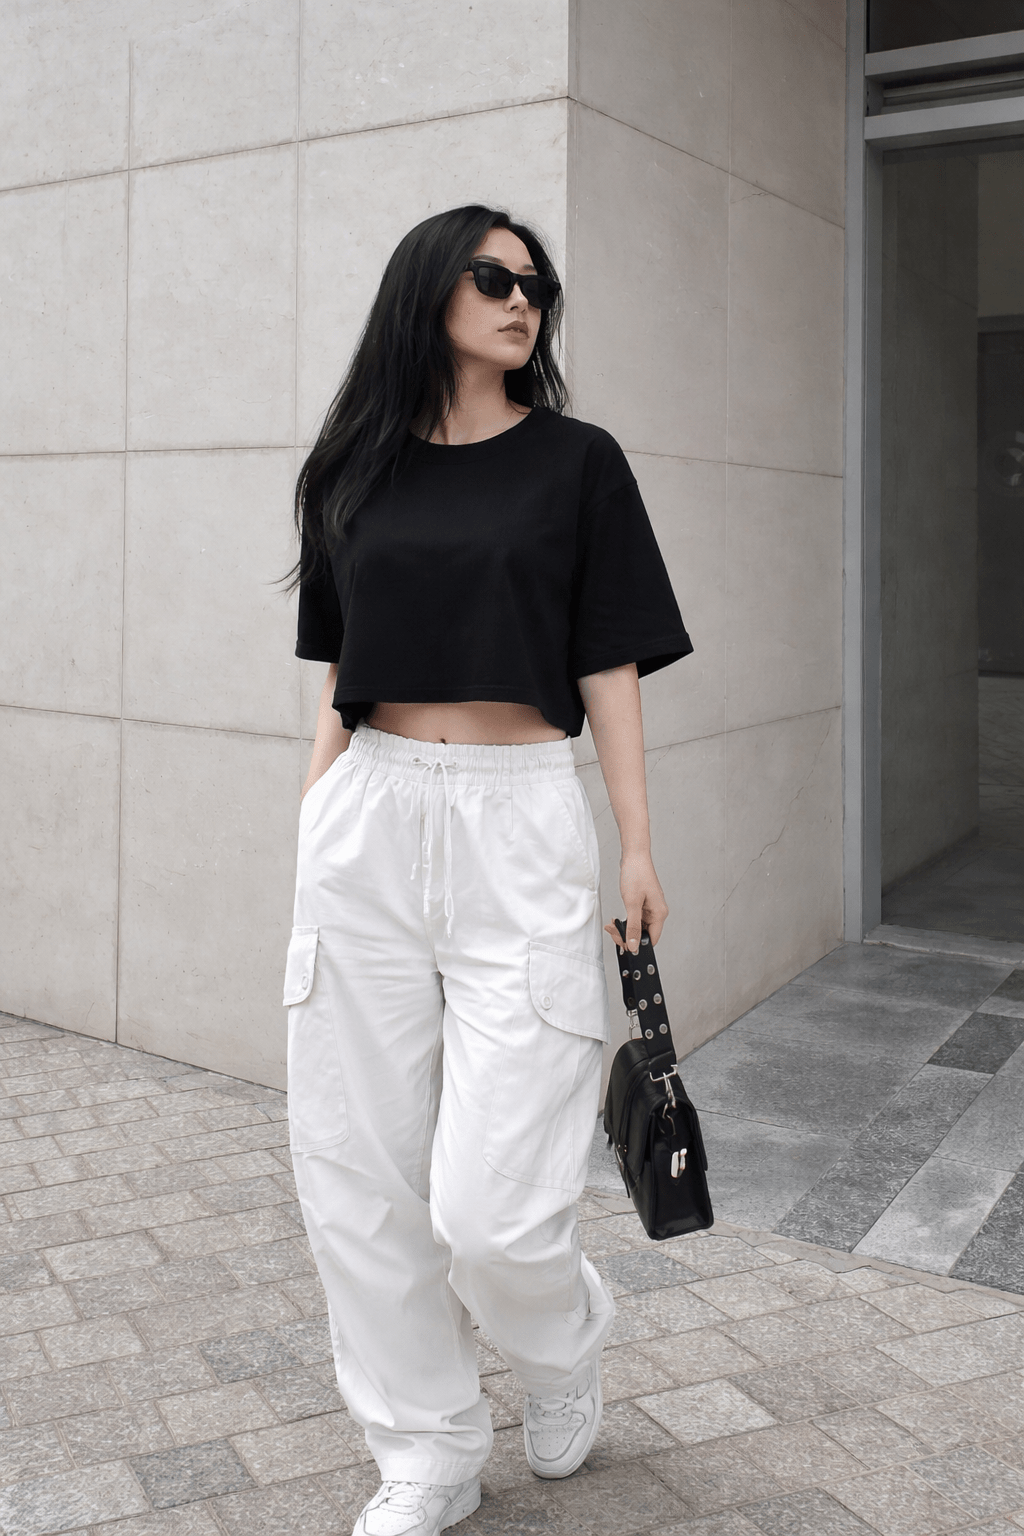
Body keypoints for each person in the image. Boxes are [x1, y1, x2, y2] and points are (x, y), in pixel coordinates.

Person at [285, 204, 692, 1536]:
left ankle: (564, 1332)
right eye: (495, 277)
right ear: (430, 290)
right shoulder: (354, 465)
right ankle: (429, 1452)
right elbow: (344, 670)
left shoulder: (578, 464)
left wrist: (633, 838)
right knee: (361, 1169)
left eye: (539, 286)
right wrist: (316, 819)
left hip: (522, 819)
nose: (525, 300)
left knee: (490, 1209)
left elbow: (609, 657)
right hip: (374, 815)